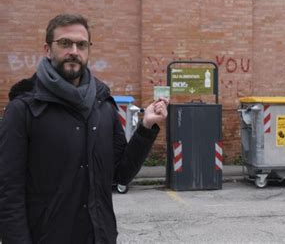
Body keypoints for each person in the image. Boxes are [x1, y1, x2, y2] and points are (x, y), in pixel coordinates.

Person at [0, 14, 168, 243]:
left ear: (88, 50)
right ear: (48, 50)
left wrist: (146, 127)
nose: (74, 51)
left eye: (81, 44)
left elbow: (121, 173)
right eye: (65, 43)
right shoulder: (24, 109)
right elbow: (9, 193)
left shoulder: (103, 106)